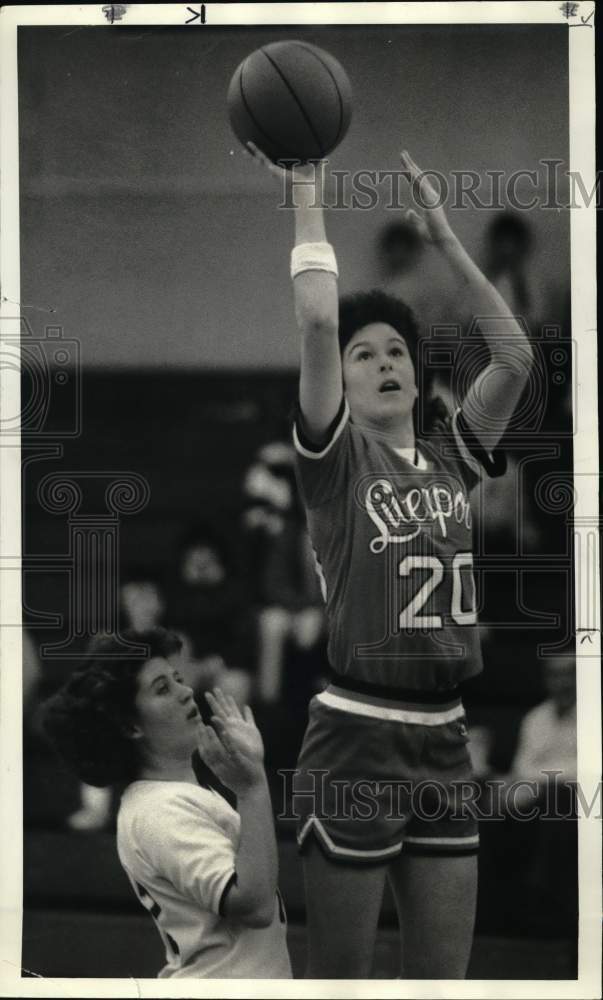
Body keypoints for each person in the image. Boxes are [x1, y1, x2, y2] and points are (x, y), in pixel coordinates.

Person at [247, 143, 533, 978]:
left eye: (396, 351)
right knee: (342, 981)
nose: (382, 362)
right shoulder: (334, 461)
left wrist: (445, 242)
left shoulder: (451, 457)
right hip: (356, 734)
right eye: (364, 353)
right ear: (337, 381)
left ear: (416, 374)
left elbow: (513, 360)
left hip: (445, 734)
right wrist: (307, 194)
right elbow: (315, 322)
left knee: (440, 984)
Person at [42, 627, 292, 979]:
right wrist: (252, 788)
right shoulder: (159, 810)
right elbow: (254, 905)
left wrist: (250, 784)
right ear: (131, 726)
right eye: (162, 688)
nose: (186, 691)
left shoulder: (170, 797)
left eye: (178, 679)